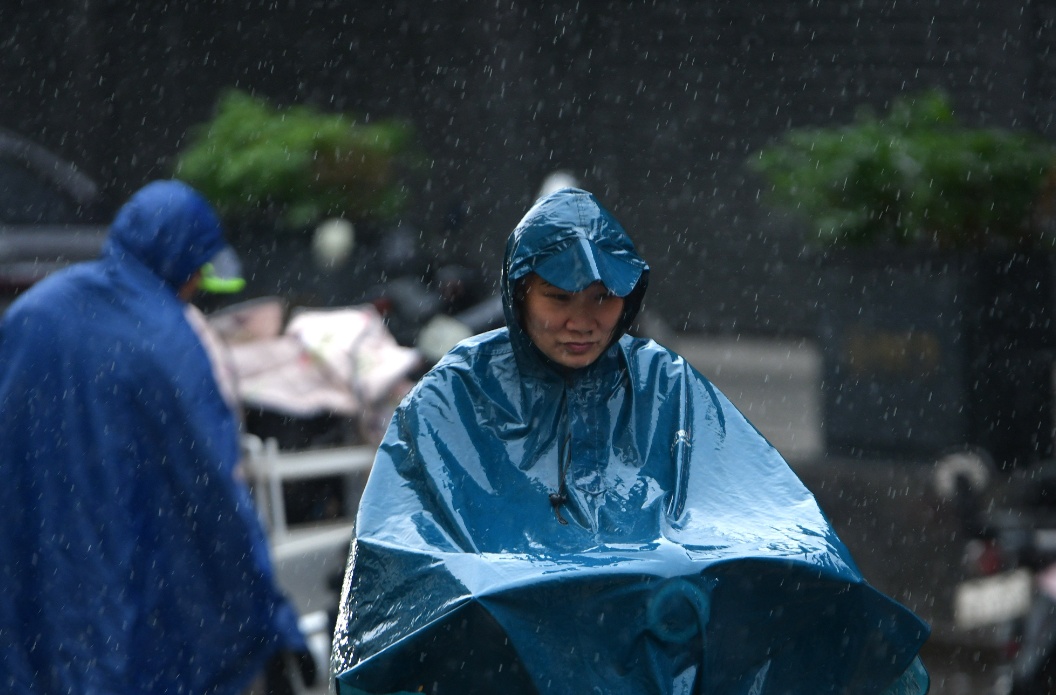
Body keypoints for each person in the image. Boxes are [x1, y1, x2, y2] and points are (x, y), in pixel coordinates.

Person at [330, 187, 930, 694]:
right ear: (519, 295)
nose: (582, 322)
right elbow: (401, 541)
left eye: (602, 299)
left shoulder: (659, 380)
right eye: (559, 298)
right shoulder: (456, 390)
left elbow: (755, 503)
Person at [0, 180, 307, 694]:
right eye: (196, 270)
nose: (194, 284)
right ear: (182, 260)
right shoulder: (168, 341)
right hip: (123, 584)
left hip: (34, 572)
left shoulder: (37, 311)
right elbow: (211, 487)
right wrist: (271, 616)